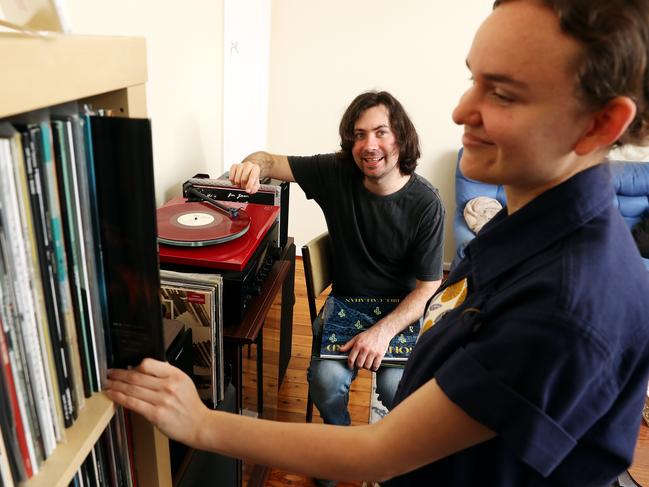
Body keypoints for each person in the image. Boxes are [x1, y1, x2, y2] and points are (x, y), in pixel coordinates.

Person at [105, 0, 649, 485]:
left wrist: (201, 422)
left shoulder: (566, 305)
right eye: (473, 80)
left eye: (503, 92)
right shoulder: (520, 224)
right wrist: (251, 166)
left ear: (600, 124)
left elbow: (378, 451)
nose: (461, 111)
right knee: (327, 378)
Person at [228, 90, 445, 433]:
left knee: (397, 390)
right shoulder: (336, 171)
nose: (369, 145)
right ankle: (340, 437)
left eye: (380, 132)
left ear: (401, 137)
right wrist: (251, 164)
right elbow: (269, 159)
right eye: (359, 135)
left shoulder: (427, 203)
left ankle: (391, 447)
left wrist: (382, 332)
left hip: (398, 312)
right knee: (326, 382)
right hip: (345, 302)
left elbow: (429, 286)